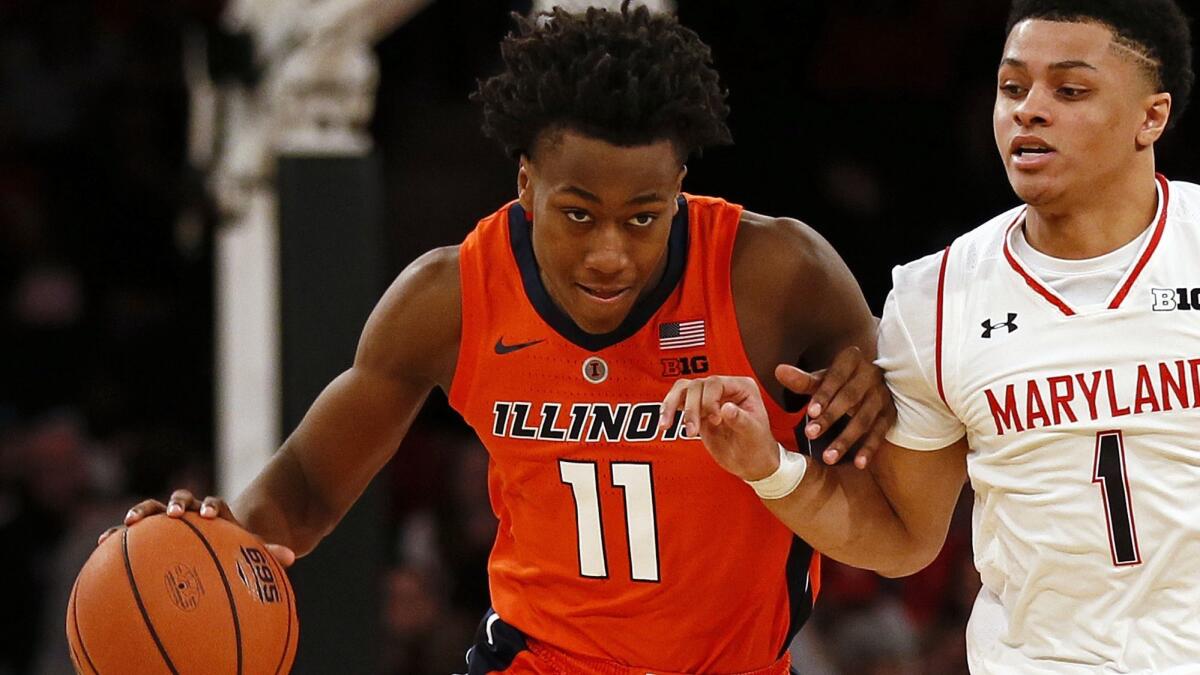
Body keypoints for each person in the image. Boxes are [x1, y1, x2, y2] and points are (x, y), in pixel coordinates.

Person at [99, 4, 896, 673]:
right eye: (578, 213)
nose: (609, 252)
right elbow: (307, 485)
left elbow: (890, 494)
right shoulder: (449, 298)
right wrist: (219, 541)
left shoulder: (777, 277)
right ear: (525, 184)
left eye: (643, 217)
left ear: (680, 187)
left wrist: (880, 395)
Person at [664, 0, 1200, 671]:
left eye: (1069, 90)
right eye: (1012, 87)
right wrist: (770, 467)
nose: (1028, 110)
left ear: (1151, 116)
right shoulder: (935, 297)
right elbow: (902, 537)